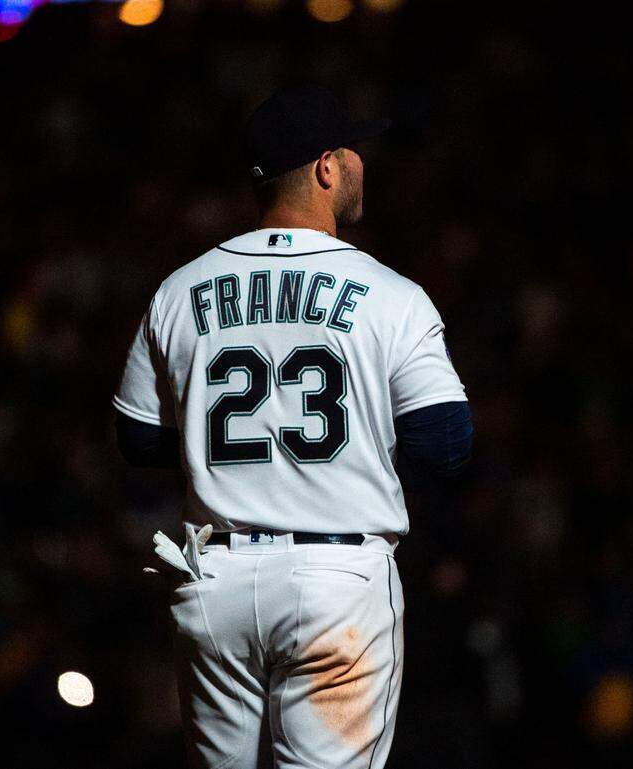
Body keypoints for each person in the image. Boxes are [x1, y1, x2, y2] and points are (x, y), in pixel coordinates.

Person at [114, 84, 472, 769]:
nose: (364, 162)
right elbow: (446, 444)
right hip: (337, 579)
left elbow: (137, 438)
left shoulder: (180, 288)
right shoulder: (390, 293)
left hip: (213, 576)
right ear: (327, 167)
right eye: (354, 149)